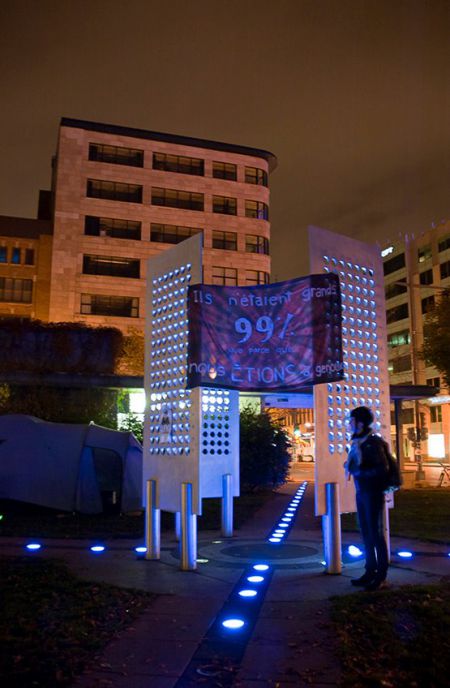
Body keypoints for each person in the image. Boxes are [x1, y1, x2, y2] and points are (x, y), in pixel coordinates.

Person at [344, 406, 389, 591]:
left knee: (375, 534)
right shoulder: (358, 442)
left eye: (351, 421)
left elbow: (381, 469)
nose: (349, 424)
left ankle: (380, 575)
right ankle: (369, 571)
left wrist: (358, 470)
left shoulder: (373, 443)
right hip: (362, 492)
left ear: (360, 423)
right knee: (365, 533)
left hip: (372, 493)